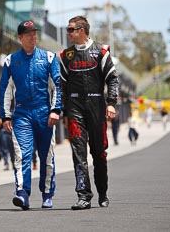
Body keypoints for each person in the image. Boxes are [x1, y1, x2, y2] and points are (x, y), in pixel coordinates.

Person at [0, 20, 62, 210]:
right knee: (22, 154)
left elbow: (57, 85)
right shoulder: (11, 61)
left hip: (44, 112)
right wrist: (6, 116)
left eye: (35, 34)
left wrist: (55, 109)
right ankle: (22, 193)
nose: (33, 37)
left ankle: (47, 194)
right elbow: (5, 90)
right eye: (29, 34)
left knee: (46, 155)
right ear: (20, 38)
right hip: (22, 113)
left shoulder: (49, 58)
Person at [59, 16, 119, 210]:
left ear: (81, 30)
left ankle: (103, 192)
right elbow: (61, 86)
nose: (67, 33)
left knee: (99, 152)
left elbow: (112, 79)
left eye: (70, 29)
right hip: (75, 107)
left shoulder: (101, 51)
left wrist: (111, 103)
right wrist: (60, 110)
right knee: (78, 152)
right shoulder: (65, 55)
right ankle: (84, 195)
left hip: (97, 105)